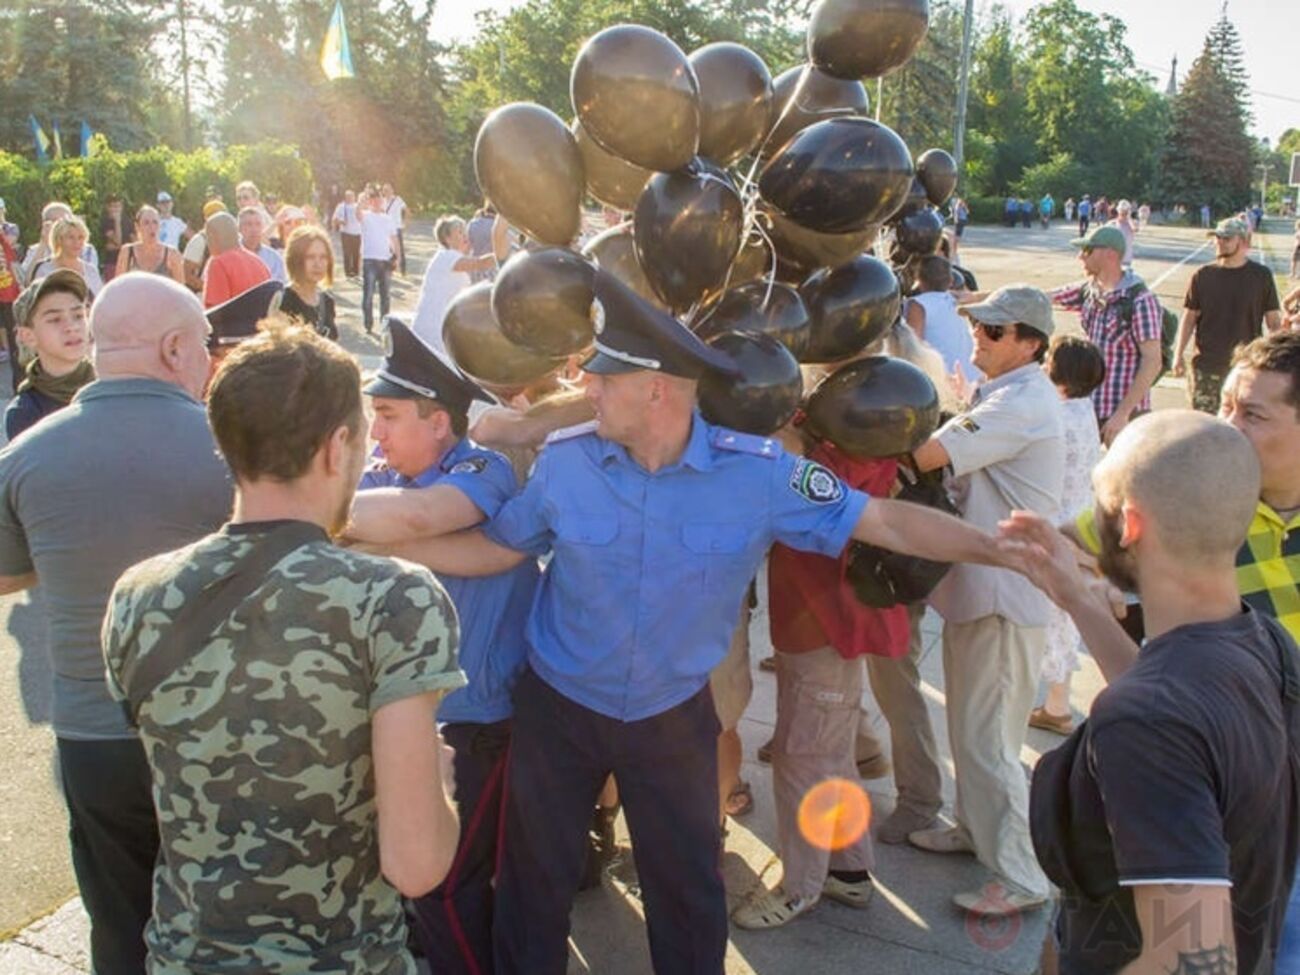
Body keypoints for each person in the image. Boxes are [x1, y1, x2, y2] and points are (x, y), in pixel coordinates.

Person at [344, 270, 1027, 975]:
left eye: (604, 379)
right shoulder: (567, 463)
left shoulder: (757, 474)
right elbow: (495, 547)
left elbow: (881, 518)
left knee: (688, 893)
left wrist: (995, 547)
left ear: (657, 389)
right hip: (558, 709)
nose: (589, 390)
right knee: (532, 886)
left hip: (670, 717)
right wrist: (370, 539)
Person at [102, 319, 463, 974]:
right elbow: (416, 865)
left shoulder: (136, 594)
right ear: (335, 448)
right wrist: (437, 782)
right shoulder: (394, 598)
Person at [1003, 412, 1298, 975]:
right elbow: (1180, 707)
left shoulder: (1147, 720)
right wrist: (1079, 600)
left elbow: (1194, 963)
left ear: (1130, 525)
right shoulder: (1261, 639)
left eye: (1100, 499)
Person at [0, 274, 233, 975]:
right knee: (225, 920)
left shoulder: (27, 453)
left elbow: (9, 573)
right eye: (202, 344)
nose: (207, 359)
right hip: (215, 735)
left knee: (119, 918)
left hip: (93, 736)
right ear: (172, 347)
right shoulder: (233, 447)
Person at [350, 318, 539, 973]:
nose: (375, 432)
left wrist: (349, 528)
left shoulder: (482, 470)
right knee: (431, 873)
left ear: (438, 422)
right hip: (408, 719)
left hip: (476, 721)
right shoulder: (376, 475)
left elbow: (418, 516)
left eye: (388, 415)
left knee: (449, 880)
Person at [908, 284, 1063, 916]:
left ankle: (1022, 875)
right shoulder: (1003, 392)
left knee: (988, 741)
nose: (980, 336)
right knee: (971, 728)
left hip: (1003, 594)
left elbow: (927, 454)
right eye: (978, 325)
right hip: (983, 587)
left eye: (996, 332)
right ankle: (975, 830)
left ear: (1031, 344)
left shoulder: (1020, 403)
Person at [1028, 336, 1103, 736]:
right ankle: (1056, 703)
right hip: (1080, 526)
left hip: (1054, 529)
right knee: (1064, 620)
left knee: (1043, 619)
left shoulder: (1055, 417)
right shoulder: (1083, 410)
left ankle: (1051, 706)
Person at [1050, 225, 1163, 442]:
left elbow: (1152, 361)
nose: (1080, 256)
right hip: (1091, 406)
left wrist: (1122, 414)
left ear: (1110, 254)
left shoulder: (1140, 301)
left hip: (1124, 413)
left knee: (1125, 476)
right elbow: (1038, 297)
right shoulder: (1090, 291)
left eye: (1088, 250)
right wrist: (974, 298)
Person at [1173, 216, 1282, 414]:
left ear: (1242, 242)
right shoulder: (1202, 276)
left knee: (1240, 428)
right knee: (1204, 425)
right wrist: (1178, 355)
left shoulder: (1261, 276)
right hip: (1206, 366)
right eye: (1217, 238)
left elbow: (1274, 322)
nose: (1219, 243)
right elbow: (1189, 319)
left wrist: (1277, 360)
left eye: (1226, 238)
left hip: (1246, 366)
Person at [5, 270, 95, 441]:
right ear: (28, 336)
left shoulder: (111, 385)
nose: (72, 327)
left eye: (78, 315)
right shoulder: (26, 412)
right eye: (55, 319)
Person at [411, 215, 508, 353]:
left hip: (437, 326)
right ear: (447, 238)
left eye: (465, 232)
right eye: (460, 232)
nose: (465, 236)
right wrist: (505, 255)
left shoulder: (451, 258)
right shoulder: (446, 256)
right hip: (432, 328)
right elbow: (480, 263)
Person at [905, 255, 980, 391]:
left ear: (918, 280)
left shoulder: (918, 305)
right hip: (973, 375)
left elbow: (914, 346)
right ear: (951, 280)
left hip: (948, 379)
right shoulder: (956, 300)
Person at [275, 225, 338, 340]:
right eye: (310, 257)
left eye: (323, 257)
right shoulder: (283, 301)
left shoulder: (327, 301)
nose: (317, 264)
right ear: (296, 260)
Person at [202, 211, 271, 309]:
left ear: (213, 236)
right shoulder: (258, 261)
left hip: (234, 323)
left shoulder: (218, 263)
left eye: (207, 237)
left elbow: (215, 312)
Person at [29, 215, 104, 297]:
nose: (77, 242)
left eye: (80, 237)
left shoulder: (91, 271)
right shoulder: (44, 269)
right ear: (59, 239)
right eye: (71, 237)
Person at [358, 189, 397, 335]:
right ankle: (368, 323)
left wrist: (397, 256)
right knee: (368, 294)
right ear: (370, 201)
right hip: (370, 260)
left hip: (385, 260)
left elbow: (393, 238)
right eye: (374, 199)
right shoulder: (366, 216)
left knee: (385, 296)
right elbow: (358, 213)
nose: (377, 201)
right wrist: (363, 199)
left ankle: (384, 325)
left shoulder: (388, 218)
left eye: (379, 199)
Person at [115, 205, 185, 283]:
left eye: (155, 222)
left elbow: (181, 290)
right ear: (137, 226)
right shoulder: (127, 253)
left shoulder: (172, 255)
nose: (152, 227)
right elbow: (118, 287)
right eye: (146, 223)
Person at [238, 205, 287, 283]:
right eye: (249, 224)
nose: (254, 229)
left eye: (258, 224)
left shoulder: (274, 258)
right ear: (239, 228)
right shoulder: (231, 256)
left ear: (262, 227)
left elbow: (281, 286)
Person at [99, 195, 133, 282]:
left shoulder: (127, 221)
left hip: (128, 263)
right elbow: (118, 241)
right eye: (113, 206)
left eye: (118, 206)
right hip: (112, 263)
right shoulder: (105, 223)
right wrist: (117, 222)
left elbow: (135, 241)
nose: (116, 209)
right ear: (108, 207)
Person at [465, 205, 500, 284]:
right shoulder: (498, 226)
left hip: (474, 267)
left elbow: (467, 246)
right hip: (492, 268)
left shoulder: (472, 224)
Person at [332, 190, 362, 279]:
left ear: (354, 197)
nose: (350, 198)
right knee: (347, 253)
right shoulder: (341, 206)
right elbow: (334, 219)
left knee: (356, 253)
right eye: (348, 196)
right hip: (345, 233)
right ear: (345, 197)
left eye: (351, 196)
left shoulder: (357, 206)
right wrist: (341, 222)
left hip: (357, 232)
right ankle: (348, 272)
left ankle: (356, 272)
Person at [382, 183, 409, 276]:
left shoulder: (398, 199)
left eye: (388, 190)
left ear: (392, 190)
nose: (387, 192)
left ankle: (403, 270)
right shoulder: (382, 201)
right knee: (388, 250)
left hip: (396, 227)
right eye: (385, 190)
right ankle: (391, 270)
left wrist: (405, 223)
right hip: (386, 229)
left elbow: (406, 210)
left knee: (399, 249)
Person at [1106, 199, 1138, 267]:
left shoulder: (1132, 223)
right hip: (1113, 258)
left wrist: (1129, 218)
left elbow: (1135, 229)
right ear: (1118, 211)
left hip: (1126, 258)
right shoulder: (1112, 223)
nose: (1124, 214)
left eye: (1126, 212)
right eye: (1122, 212)